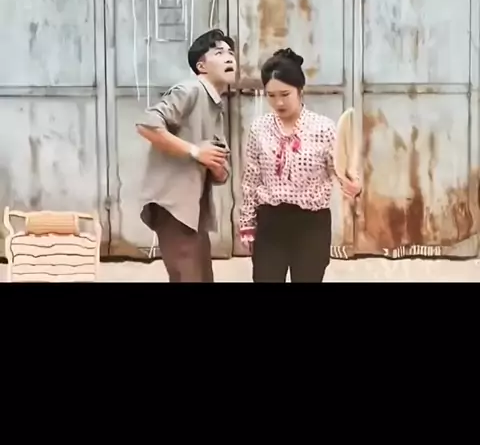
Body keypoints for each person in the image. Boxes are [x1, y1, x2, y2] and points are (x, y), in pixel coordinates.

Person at [238, 48, 361, 283]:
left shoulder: (323, 128)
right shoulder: (259, 128)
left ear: (300, 90)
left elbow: (340, 169)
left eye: (285, 94)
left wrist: (353, 184)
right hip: (271, 222)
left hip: (311, 224)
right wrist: (247, 223)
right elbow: (251, 179)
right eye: (271, 95)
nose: (279, 102)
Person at [136, 29, 236, 283]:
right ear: (201, 66)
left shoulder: (215, 105)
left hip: (193, 210)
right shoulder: (190, 90)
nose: (229, 58)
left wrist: (216, 166)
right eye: (219, 53)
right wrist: (195, 151)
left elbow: (220, 171)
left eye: (231, 53)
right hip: (173, 207)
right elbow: (147, 125)